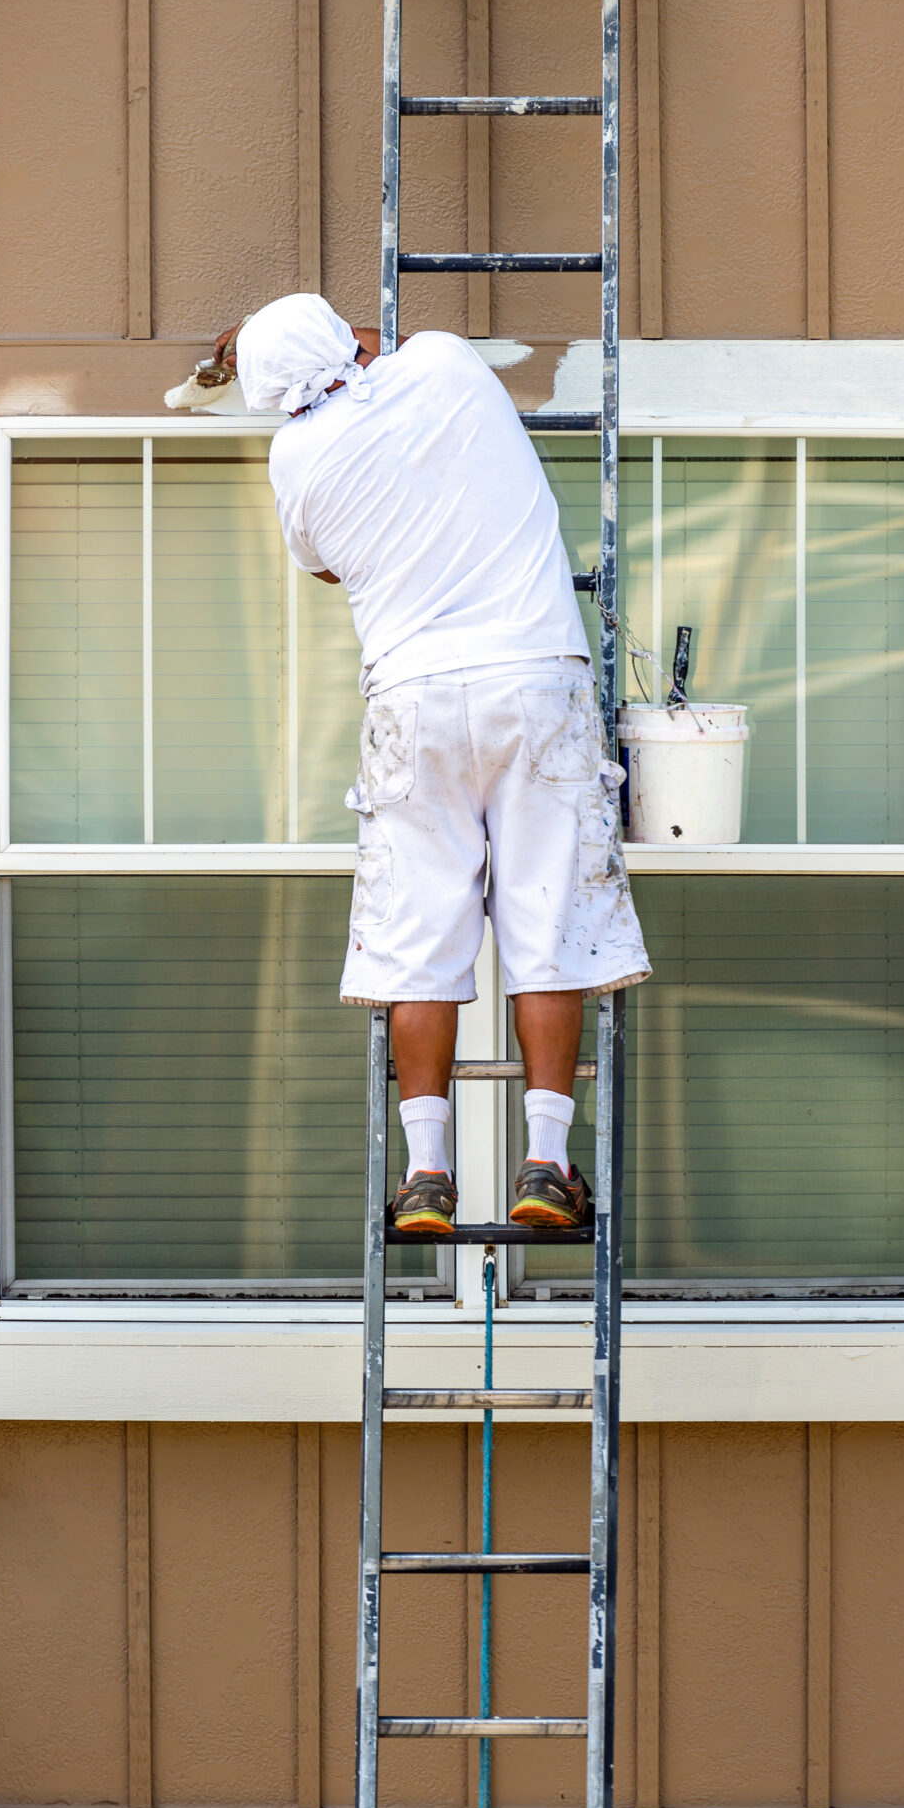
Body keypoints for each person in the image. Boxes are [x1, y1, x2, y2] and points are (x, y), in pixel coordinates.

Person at [217, 294, 650, 1238]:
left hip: (410, 697)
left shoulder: (294, 459)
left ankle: (425, 1175)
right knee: (550, 923)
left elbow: (327, 566)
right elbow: (388, 350)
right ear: (352, 341)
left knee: (417, 939)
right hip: (534, 676)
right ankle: (544, 1160)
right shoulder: (448, 365)